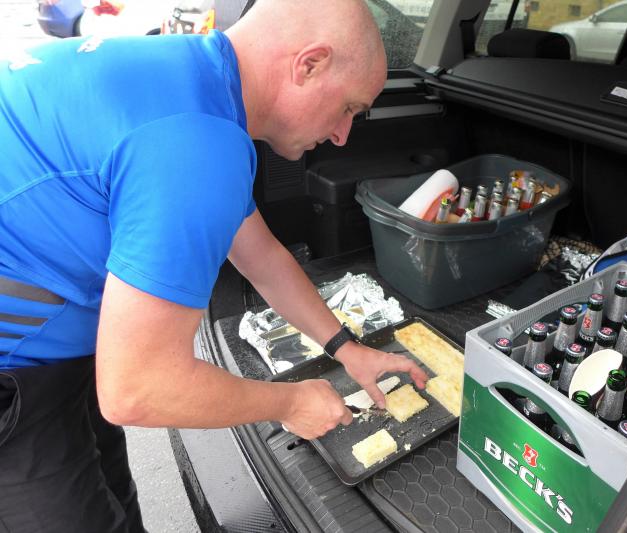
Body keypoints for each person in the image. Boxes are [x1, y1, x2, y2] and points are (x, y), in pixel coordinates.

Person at [0, 0, 427, 531]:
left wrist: (346, 348)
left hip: (60, 345)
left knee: (111, 490)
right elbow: (136, 389)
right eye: (348, 108)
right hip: (14, 370)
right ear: (309, 64)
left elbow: (260, 255)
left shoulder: (193, 78)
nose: (343, 135)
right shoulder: (196, 141)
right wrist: (290, 403)